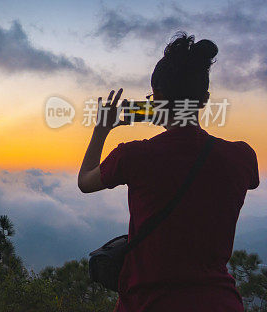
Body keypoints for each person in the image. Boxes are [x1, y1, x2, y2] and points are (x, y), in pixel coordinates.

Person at [77, 32, 260, 311]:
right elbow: (249, 182)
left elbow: (85, 181)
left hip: (148, 302)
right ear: (205, 99)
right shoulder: (242, 156)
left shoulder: (133, 155)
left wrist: (101, 130)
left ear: (158, 98)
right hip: (220, 302)